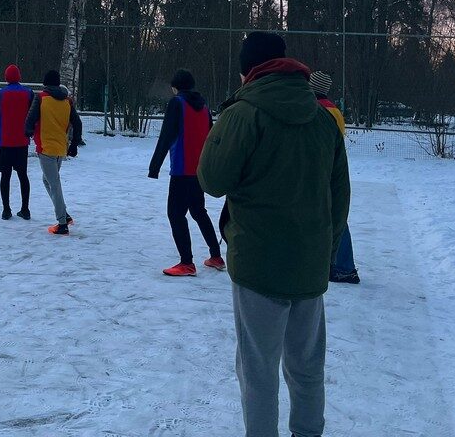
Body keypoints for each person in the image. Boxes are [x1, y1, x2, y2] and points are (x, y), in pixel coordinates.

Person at [198, 32, 350, 437]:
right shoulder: (322, 119)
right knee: (306, 367)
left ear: (248, 70)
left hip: (259, 264)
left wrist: (225, 124)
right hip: (309, 265)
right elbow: (340, 198)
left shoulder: (244, 113)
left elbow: (212, 178)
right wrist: (324, 252)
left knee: (258, 371)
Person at [148, 69, 224, 277]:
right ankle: (216, 256)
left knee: (175, 213)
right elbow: (210, 137)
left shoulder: (177, 103)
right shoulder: (205, 106)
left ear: (175, 87)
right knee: (199, 211)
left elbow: (167, 135)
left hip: (182, 169)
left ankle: (187, 262)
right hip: (199, 169)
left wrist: (154, 166)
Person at [310, 70, 360, 286]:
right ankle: (340, 264)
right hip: (332, 167)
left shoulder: (317, 109)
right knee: (336, 215)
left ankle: (344, 266)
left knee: (335, 218)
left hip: (323, 168)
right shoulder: (334, 109)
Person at [24, 69, 82, 235]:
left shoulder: (41, 98)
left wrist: (27, 131)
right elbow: (77, 124)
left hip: (45, 147)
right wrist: (74, 144)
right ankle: (65, 214)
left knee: (54, 183)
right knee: (47, 180)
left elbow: (31, 117)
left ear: (45, 84)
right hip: (60, 148)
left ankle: (62, 223)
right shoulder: (67, 101)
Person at [0, 64, 35, 220]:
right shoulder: (29, 93)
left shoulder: (1, 94)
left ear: (6, 77)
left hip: (6, 141)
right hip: (22, 141)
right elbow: (35, 115)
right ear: (19, 77)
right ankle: (25, 209)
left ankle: (6, 209)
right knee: (23, 175)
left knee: (5, 176)